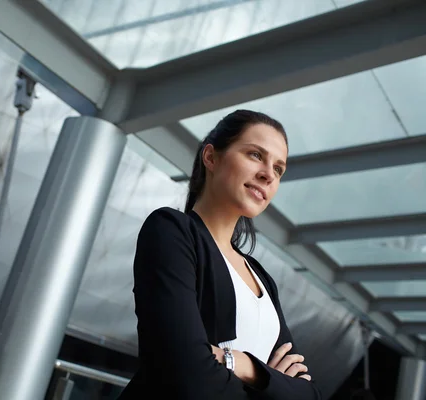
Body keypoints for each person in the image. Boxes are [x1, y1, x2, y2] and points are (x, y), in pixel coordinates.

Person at [118, 110, 322, 399]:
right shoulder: (172, 231)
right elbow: (188, 376)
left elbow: (310, 394)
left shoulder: (261, 277)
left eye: (278, 169)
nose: (267, 174)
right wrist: (272, 384)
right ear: (211, 157)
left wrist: (243, 364)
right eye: (255, 155)